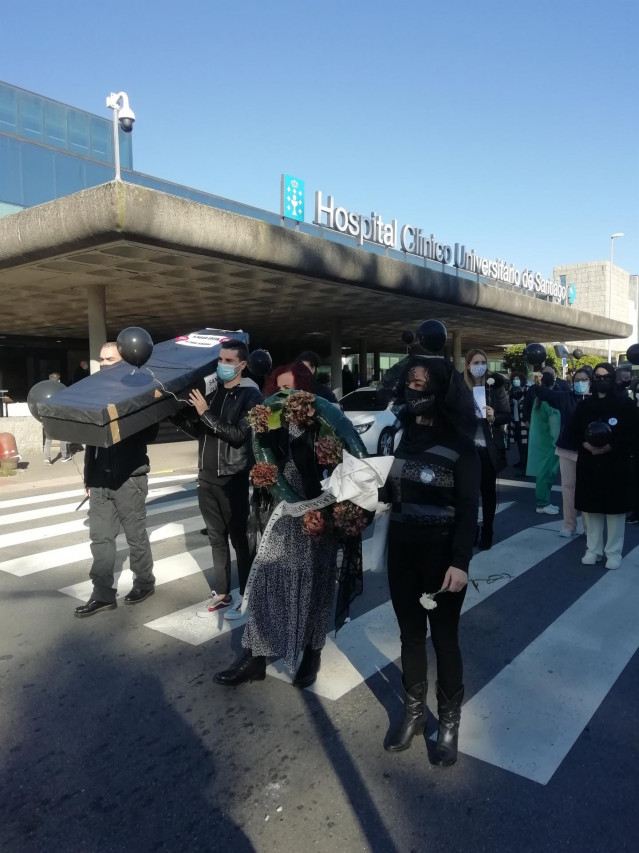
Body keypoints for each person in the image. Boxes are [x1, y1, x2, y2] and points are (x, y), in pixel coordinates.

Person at [215, 362, 342, 688]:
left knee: (314, 583)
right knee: (266, 583)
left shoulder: (324, 421)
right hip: (280, 515)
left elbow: (342, 470)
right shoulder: (269, 421)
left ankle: (312, 653)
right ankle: (255, 656)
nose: (286, 396)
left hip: (315, 516)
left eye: (293, 389)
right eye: (280, 390)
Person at [381, 357, 479, 765]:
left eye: (422, 385)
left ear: (439, 392)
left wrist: (460, 562)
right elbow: (388, 492)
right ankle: (415, 715)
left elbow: (468, 509)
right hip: (401, 551)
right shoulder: (399, 436)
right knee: (409, 637)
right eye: (410, 383)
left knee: (445, 640)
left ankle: (450, 723)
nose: (413, 391)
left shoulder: (460, 446)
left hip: (442, 558)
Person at [172, 340, 264, 620]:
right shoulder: (211, 396)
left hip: (232, 477)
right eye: (220, 360)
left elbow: (237, 435)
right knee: (216, 538)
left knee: (239, 538)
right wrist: (176, 415)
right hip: (207, 477)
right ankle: (223, 594)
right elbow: (201, 431)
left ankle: (248, 595)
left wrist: (205, 414)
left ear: (241, 365)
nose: (221, 365)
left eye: (227, 360)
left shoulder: (251, 398)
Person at [74, 343, 158, 618]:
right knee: (100, 539)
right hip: (99, 480)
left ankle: (144, 583)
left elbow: (151, 433)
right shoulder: (93, 392)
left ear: (124, 362)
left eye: (110, 359)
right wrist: (88, 478)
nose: (104, 363)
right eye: (101, 359)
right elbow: (90, 443)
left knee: (135, 536)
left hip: (129, 478)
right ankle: (102, 594)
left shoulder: (137, 391)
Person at [569, 363, 637, 569]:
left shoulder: (625, 404)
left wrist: (611, 446)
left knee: (614, 511)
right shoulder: (584, 405)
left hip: (615, 464)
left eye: (606, 376)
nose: (602, 380)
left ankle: (613, 552)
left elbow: (633, 434)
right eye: (597, 377)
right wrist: (585, 443)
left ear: (613, 377)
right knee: (591, 510)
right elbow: (573, 431)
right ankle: (593, 550)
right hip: (589, 463)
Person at [532, 367, 592, 536]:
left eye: (584, 380)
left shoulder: (596, 400)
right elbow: (547, 395)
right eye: (577, 380)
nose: (580, 383)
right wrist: (538, 385)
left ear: (591, 382)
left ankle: (589, 528)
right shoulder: (566, 397)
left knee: (587, 490)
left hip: (591, 451)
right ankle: (569, 525)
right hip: (567, 449)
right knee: (568, 488)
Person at [463, 349, 510, 550]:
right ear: (468, 365)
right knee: (468, 495)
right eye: (476, 362)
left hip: (488, 449)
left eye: (483, 362)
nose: (480, 365)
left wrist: (493, 416)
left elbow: (506, 415)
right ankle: (470, 530)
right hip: (467, 449)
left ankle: (487, 531)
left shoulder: (495, 386)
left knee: (488, 493)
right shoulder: (460, 386)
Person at [526, 366, 562, 514]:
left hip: (540, 441)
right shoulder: (549, 402)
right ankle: (543, 503)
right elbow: (555, 427)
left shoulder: (538, 400)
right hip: (549, 443)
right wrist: (557, 442)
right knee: (546, 475)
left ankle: (543, 502)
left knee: (542, 473)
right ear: (552, 383)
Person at [43, 372, 71, 464]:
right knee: (62, 436)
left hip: (47, 416)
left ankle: (47, 458)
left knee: (48, 438)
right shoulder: (61, 390)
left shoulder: (44, 390)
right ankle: (64, 456)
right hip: (59, 416)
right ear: (59, 380)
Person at [508, 371, 528, 471]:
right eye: (514, 379)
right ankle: (521, 460)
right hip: (515, 420)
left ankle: (525, 465)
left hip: (523, 421)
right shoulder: (511, 391)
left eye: (518, 379)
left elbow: (526, 405)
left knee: (524, 444)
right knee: (519, 442)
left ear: (522, 380)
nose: (516, 381)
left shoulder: (525, 390)